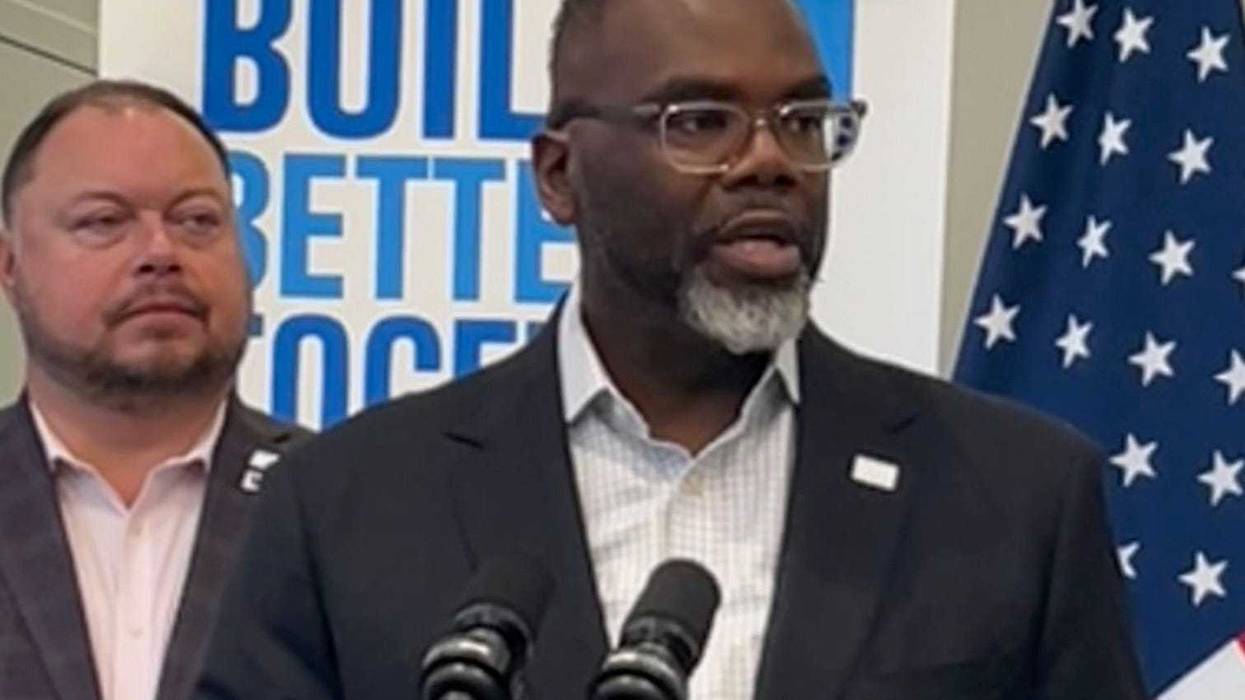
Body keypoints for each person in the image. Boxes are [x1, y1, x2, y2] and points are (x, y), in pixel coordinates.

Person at [195, 1, 1146, 697]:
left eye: (803, 122)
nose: (769, 161)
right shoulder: (344, 502)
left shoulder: (1015, 495)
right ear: (558, 176)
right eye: (699, 122)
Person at [0, 80, 308, 700]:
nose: (161, 252)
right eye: (104, 222)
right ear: (10, 266)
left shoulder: (345, 505)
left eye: (197, 221)